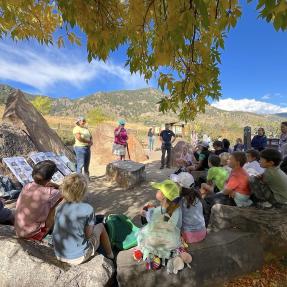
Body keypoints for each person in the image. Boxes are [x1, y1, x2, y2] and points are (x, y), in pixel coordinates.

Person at [53, 173, 114, 264]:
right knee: (101, 226)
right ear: (83, 192)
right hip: (78, 256)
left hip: (59, 254)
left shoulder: (59, 208)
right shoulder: (88, 209)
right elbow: (88, 235)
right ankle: (111, 256)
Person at [14, 161, 62, 240]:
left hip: (19, 230)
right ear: (49, 178)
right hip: (32, 234)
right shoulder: (52, 193)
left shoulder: (27, 185)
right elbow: (67, 193)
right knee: (59, 201)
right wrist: (56, 185)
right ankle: (48, 233)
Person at [137, 179, 182, 262]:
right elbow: (166, 219)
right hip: (173, 239)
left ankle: (153, 255)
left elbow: (153, 224)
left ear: (163, 196)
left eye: (159, 190)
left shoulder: (158, 210)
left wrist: (145, 213)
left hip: (159, 240)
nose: (157, 191)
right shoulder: (176, 208)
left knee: (141, 234)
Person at [204, 152, 252, 225]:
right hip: (237, 195)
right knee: (212, 198)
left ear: (237, 162)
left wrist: (229, 190)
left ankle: (207, 223)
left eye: (230, 159)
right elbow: (227, 183)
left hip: (238, 199)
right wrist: (231, 190)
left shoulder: (237, 174)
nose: (227, 161)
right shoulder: (236, 170)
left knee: (208, 201)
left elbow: (226, 191)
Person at [172, 172, 206, 244]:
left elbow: (176, 221)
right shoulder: (197, 195)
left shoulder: (180, 200)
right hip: (202, 232)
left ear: (180, 187)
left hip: (189, 236)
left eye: (176, 184)